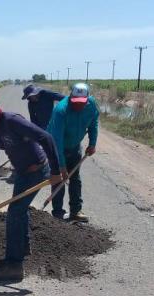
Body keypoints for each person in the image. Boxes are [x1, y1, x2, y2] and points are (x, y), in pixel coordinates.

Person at [0, 92, 67, 281]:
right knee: (19, 210)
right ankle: (22, 247)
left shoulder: (12, 121)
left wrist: (55, 172)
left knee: (15, 213)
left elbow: (46, 138)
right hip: (22, 173)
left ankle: (14, 265)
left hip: (38, 170)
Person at [46, 83, 99, 222]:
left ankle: (75, 211)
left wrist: (92, 143)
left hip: (74, 147)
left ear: (87, 99)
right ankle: (57, 214)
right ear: (71, 97)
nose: (78, 106)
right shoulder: (61, 110)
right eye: (76, 102)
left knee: (75, 179)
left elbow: (94, 124)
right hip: (57, 148)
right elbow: (57, 141)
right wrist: (62, 166)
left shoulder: (91, 105)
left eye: (82, 103)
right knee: (59, 180)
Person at [3, 84, 65, 185]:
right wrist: (33, 133)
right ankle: (47, 169)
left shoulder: (47, 94)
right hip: (41, 127)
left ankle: (58, 170)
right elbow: (33, 119)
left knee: (54, 147)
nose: (31, 98)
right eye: (29, 97)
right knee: (43, 148)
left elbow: (64, 99)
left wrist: (60, 112)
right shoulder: (30, 104)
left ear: (37, 92)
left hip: (53, 125)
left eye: (32, 96)